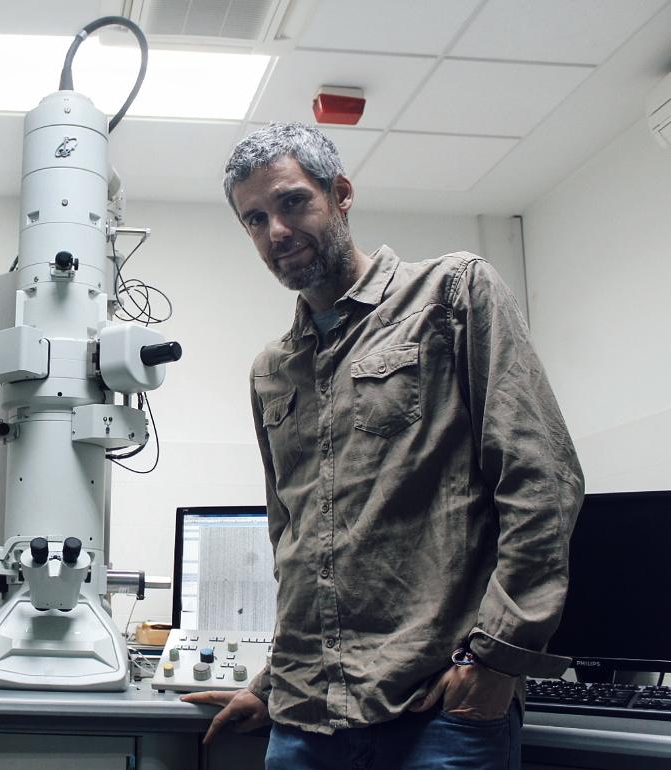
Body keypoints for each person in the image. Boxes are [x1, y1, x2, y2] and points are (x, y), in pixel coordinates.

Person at [181, 124, 584, 769]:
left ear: (340, 194)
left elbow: (542, 481)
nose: (276, 231)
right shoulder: (273, 369)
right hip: (304, 721)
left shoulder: (452, 294)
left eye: (291, 202)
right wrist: (273, 680)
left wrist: (499, 659)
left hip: (436, 715)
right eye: (254, 219)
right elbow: (298, 543)